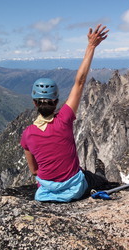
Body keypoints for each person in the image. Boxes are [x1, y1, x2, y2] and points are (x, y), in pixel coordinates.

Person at [20, 24, 109, 202]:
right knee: (95, 178)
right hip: (75, 189)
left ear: (34, 102)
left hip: (46, 193)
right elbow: (80, 82)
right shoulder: (65, 119)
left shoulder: (27, 135)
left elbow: (34, 171)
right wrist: (91, 46)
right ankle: (100, 176)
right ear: (57, 101)